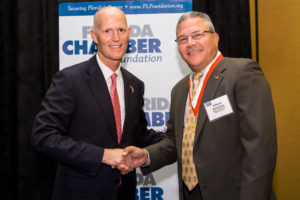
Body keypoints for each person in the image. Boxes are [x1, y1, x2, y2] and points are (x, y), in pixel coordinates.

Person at [123, 11, 277, 200]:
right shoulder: (179, 90)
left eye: (197, 35)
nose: (190, 43)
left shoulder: (242, 73)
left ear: (216, 38)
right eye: (182, 39)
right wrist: (146, 155)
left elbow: (259, 147)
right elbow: (174, 141)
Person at [31, 6, 161, 200]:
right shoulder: (70, 80)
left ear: (129, 33)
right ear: (94, 35)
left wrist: (180, 141)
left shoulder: (135, 85)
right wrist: (104, 155)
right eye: (107, 31)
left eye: (121, 30)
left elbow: (138, 133)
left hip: (123, 193)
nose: (115, 38)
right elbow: (43, 137)